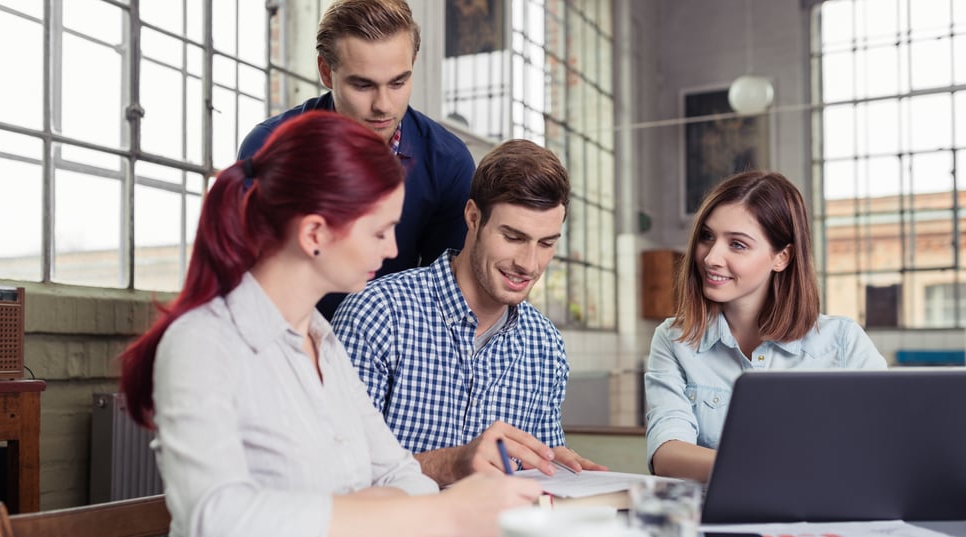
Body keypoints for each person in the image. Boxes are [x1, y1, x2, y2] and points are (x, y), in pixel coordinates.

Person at [119, 112, 540, 537]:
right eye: (380, 230)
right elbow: (225, 529)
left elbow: (400, 475)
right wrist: (436, 516)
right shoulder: (204, 344)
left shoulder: (323, 340)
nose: (394, 247)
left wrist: (342, 513)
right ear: (315, 233)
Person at [331, 139, 607, 487]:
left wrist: (553, 465)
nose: (529, 264)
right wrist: (451, 464)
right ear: (473, 217)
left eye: (547, 243)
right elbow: (334, 472)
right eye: (513, 237)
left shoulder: (545, 345)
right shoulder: (378, 315)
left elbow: (533, 471)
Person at [644, 170, 887, 483]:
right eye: (707, 236)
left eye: (738, 245)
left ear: (782, 257)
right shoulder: (674, 339)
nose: (711, 257)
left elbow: (884, 446)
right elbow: (667, 452)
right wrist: (780, 470)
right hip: (718, 520)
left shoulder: (843, 343)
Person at [238, 0, 474, 320]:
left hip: (398, 352)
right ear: (326, 71)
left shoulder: (447, 164)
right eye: (362, 85)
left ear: (414, 63)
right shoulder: (269, 147)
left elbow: (446, 300)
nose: (383, 105)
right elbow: (250, 279)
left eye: (398, 82)